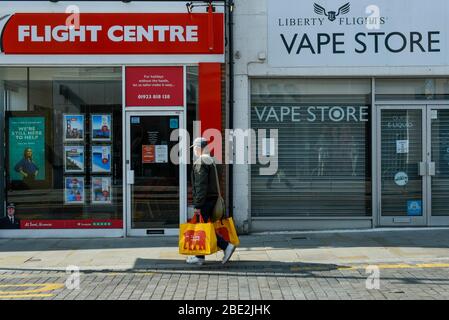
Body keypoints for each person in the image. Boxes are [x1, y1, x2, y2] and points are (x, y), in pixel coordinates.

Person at [186, 137, 236, 266]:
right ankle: (199, 256)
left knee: (202, 228)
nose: (194, 151)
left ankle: (225, 246)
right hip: (213, 198)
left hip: (205, 200)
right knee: (203, 227)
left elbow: (201, 185)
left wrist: (197, 204)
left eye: (195, 149)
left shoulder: (201, 162)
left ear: (198, 148)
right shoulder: (214, 160)